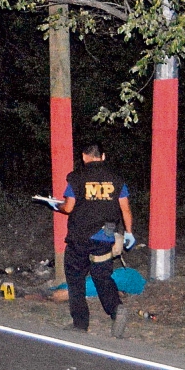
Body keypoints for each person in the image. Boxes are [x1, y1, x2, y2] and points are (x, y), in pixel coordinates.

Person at [52, 142, 135, 337]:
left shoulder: (77, 177)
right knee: (102, 275)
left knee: (75, 278)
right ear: (103, 157)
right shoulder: (116, 179)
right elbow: (125, 209)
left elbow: (69, 207)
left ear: (84, 157)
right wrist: (129, 232)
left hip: (79, 237)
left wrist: (57, 206)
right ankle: (116, 309)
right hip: (104, 237)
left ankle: (80, 323)